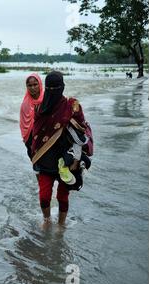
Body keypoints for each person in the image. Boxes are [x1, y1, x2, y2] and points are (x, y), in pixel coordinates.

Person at [31, 71, 90, 226]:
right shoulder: (39, 109)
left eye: (57, 87)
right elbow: (36, 134)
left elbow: (81, 132)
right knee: (44, 195)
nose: (54, 92)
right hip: (45, 157)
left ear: (63, 87)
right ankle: (47, 220)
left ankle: (61, 225)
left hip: (67, 158)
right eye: (50, 88)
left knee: (62, 196)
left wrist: (76, 159)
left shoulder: (73, 106)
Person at [20, 73, 44, 159]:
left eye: (35, 84)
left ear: (40, 84)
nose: (32, 88)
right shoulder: (25, 104)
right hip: (30, 138)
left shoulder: (46, 100)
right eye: (29, 85)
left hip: (45, 136)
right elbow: (23, 124)